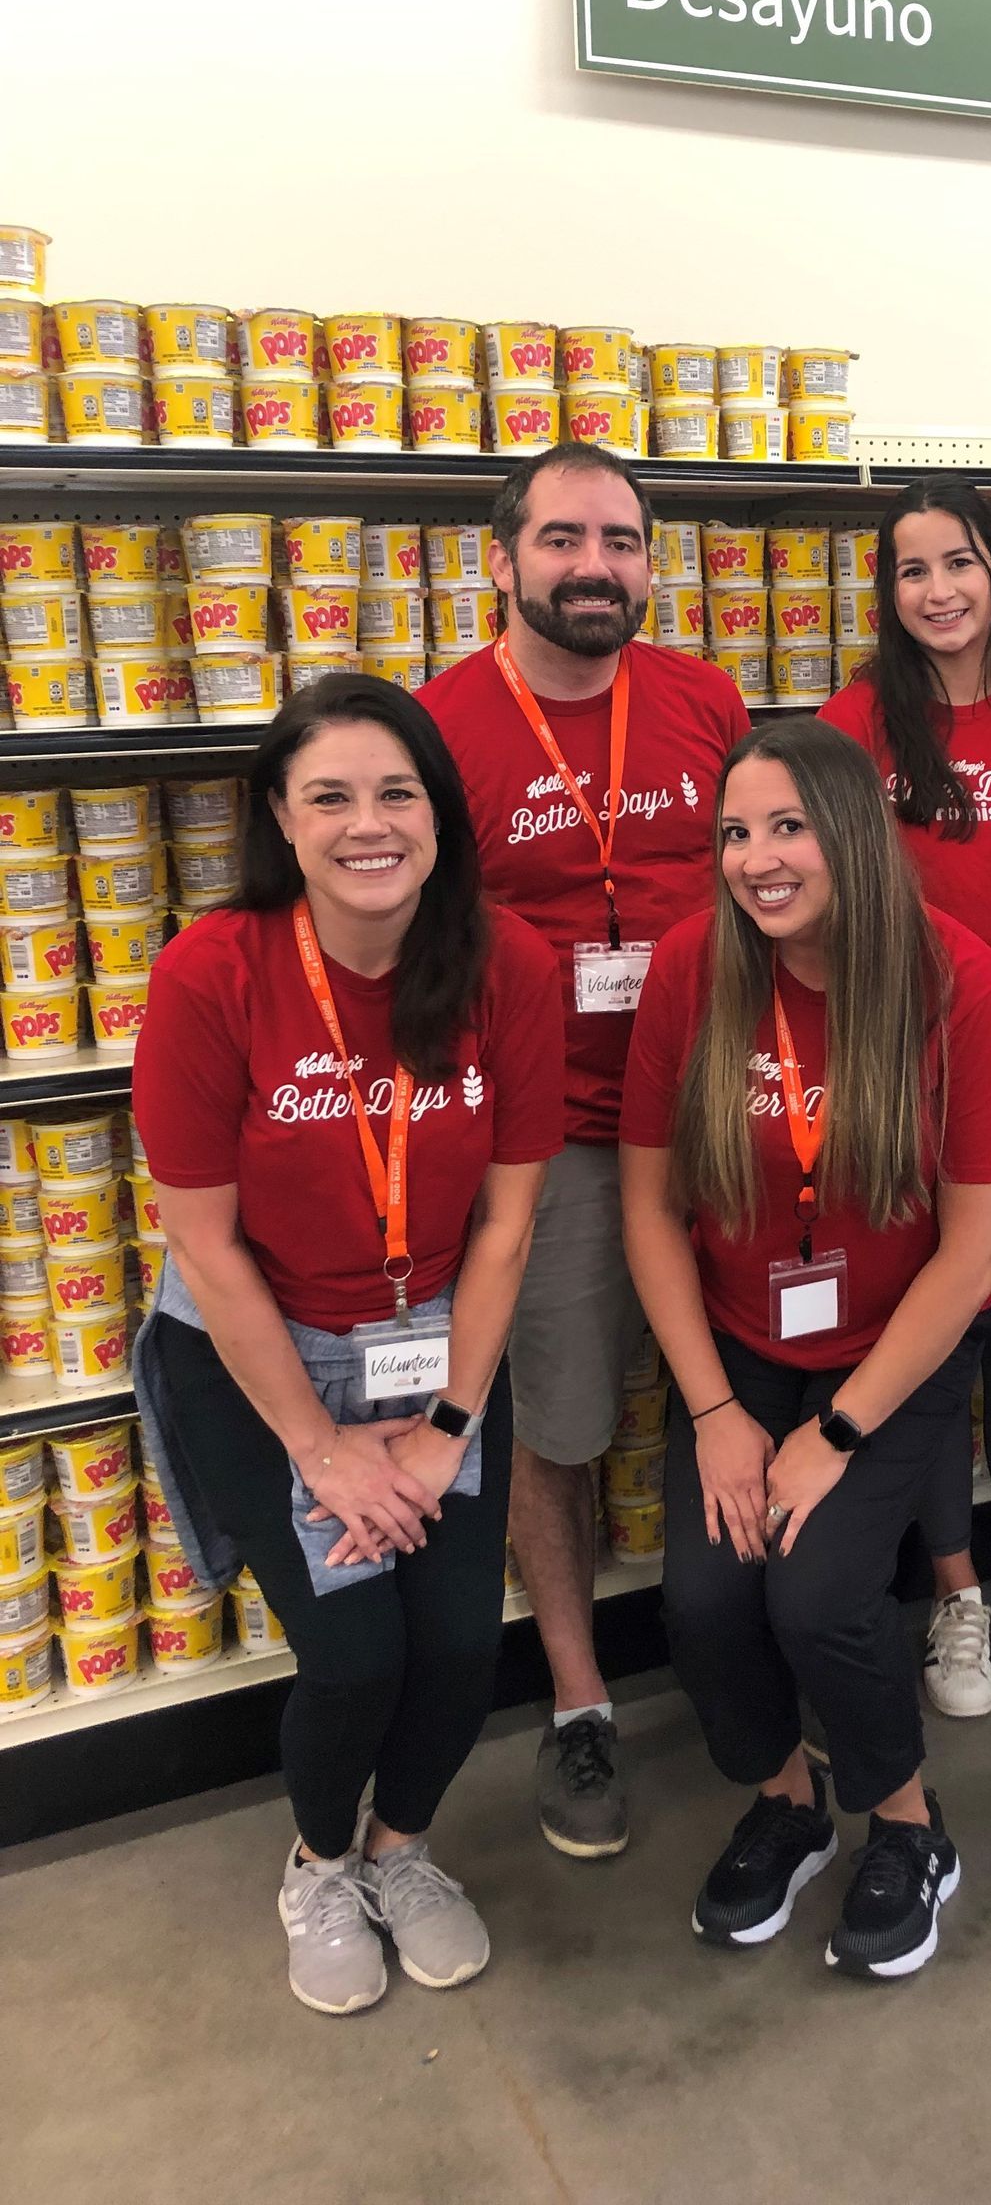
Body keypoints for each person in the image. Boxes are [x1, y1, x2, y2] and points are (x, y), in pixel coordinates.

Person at [130, 675, 564, 2015]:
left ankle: (403, 1850)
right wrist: (320, 1451)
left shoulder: (511, 966)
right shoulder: (213, 972)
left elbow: (506, 1229)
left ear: (441, 812)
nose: (368, 824)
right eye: (330, 796)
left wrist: (444, 1430)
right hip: (257, 1362)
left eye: (397, 793)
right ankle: (320, 1864)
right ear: (281, 817)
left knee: (455, 1645)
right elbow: (205, 1241)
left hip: (437, 1351)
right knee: (357, 1655)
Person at [620, 721, 991, 1977]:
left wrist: (837, 1432)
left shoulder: (957, 983)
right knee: (705, 1592)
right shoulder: (695, 968)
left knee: (818, 1593)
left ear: (850, 832)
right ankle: (789, 1799)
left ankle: (907, 1820)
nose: (757, 858)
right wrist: (715, 1415)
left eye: (787, 826)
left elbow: (977, 1253)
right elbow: (649, 1206)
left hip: (894, 1354)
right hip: (739, 1349)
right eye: (735, 833)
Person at [421, 442, 748, 1859]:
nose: (594, 566)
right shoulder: (436, 731)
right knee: (553, 1425)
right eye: (562, 540)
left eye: (620, 540)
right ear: (502, 562)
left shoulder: (704, 699)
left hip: (717, 1109)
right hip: (545, 1144)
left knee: (746, 1387)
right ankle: (576, 1704)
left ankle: (749, 1651)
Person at [820, 481, 991, 1721]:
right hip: (899, 1092)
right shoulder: (856, 726)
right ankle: (954, 1596)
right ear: (887, 591)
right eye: (913, 568)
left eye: (961, 563)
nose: (939, 590)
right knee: (929, 1349)